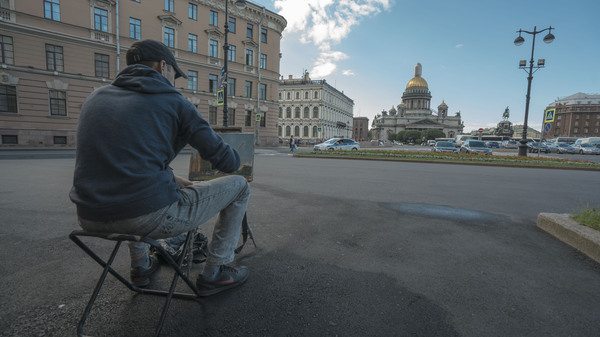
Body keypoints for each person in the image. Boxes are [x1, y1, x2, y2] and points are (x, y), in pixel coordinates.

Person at [69, 39, 250, 296]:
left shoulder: (94, 98)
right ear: (162, 66)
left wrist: (171, 177)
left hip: (88, 217)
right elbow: (227, 162)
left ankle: (141, 266)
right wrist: (234, 152)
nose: (173, 82)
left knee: (137, 193)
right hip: (145, 218)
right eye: (174, 75)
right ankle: (216, 273)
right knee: (240, 186)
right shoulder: (173, 100)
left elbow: (123, 162)